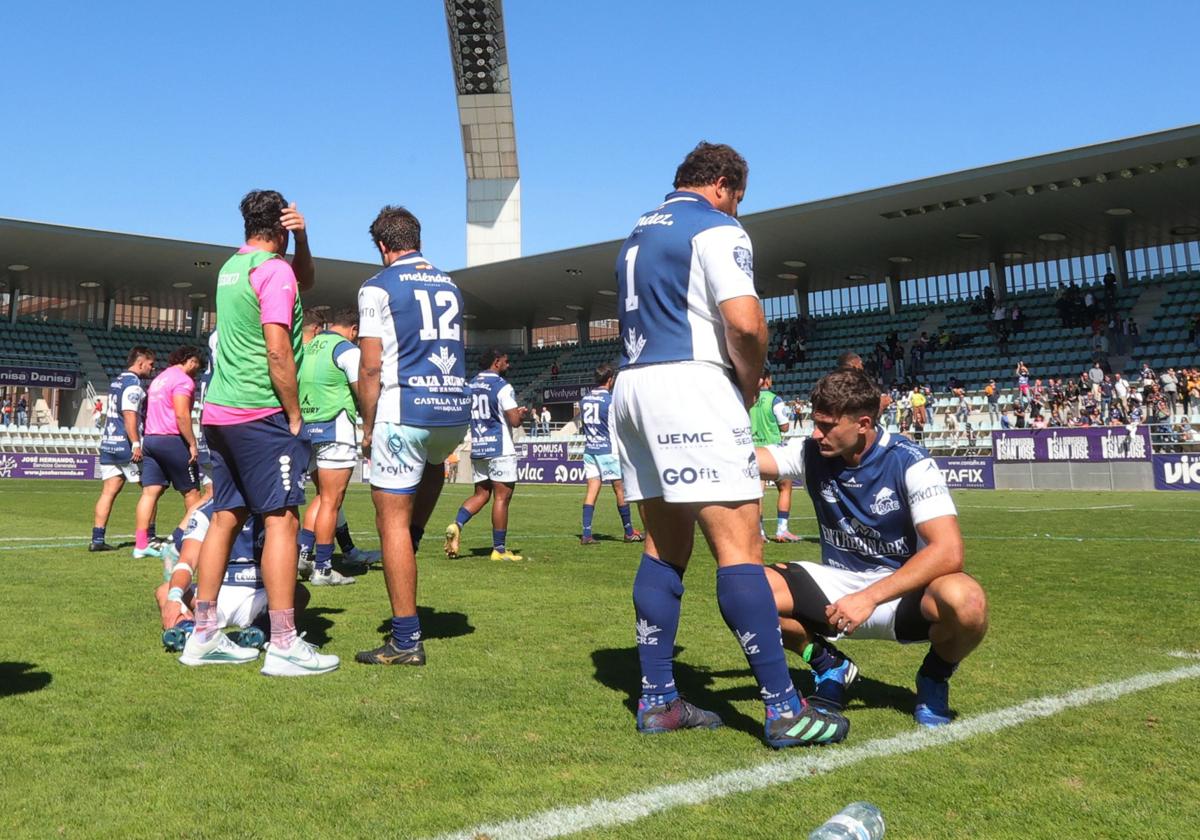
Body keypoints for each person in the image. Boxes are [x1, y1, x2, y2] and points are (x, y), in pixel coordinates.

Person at [612, 141, 847, 748]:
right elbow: (745, 323)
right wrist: (746, 385)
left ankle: (659, 698)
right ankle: (782, 709)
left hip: (634, 385)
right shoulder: (715, 227)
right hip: (693, 383)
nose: (738, 210)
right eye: (738, 198)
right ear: (722, 184)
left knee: (664, 548)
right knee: (739, 548)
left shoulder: (637, 232)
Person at [756, 367, 988, 727]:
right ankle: (828, 666)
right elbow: (754, 460)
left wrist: (868, 598)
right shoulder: (812, 452)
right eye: (815, 423)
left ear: (863, 423)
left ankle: (934, 676)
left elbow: (948, 551)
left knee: (968, 600)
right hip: (837, 583)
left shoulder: (910, 461)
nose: (817, 434)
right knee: (747, 592)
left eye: (828, 425)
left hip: (903, 589)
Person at [179, 189, 337, 676]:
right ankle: (285, 643)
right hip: (259, 410)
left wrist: (302, 239)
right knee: (283, 521)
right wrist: (293, 412)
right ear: (281, 228)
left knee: (226, 517)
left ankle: (203, 634)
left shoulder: (232, 268)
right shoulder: (274, 270)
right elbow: (277, 350)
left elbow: (301, 278)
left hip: (220, 413)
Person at [354, 206, 472, 666]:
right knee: (431, 468)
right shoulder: (450, 284)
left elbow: (370, 365)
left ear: (383, 246)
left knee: (390, 524)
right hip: (451, 412)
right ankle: (415, 536)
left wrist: (367, 424)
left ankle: (405, 640)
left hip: (405, 410)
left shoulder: (377, 286)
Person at [159, 499, 310, 655]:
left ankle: (259, 630)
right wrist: (175, 596)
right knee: (165, 591)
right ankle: (187, 629)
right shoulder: (204, 512)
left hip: (259, 596)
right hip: (211, 596)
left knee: (299, 593)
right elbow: (187, 561)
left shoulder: (278, 512)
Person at [296, 306, 362, 586]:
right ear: (354, 329)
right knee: (332, 501)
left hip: (307, 427)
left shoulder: (310, 346)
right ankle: (323, 568)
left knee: (323, 497)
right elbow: (363, 389)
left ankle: (303, 552)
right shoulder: (347, 349)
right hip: (336, 425)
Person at [445, 349, 528, 561]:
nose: (508, 365)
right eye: (506, 361)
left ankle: (457, 524)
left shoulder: (470, 385)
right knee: (502, 498)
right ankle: (499, 550)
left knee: (481, 495)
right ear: (496, 362)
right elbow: (514, 421)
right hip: (500, 449)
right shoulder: (502, 386)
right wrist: (520, 414)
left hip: (479, 446)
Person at [134, 345, 205, 560]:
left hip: (151, 439)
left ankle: (140, 545)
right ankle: (191, 539)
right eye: (196, 366)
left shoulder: (160, 379)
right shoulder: (183, 381)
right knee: (193, 493)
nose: (196, 370)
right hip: (172, 439)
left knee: (149, 493)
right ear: (191, 360)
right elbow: (182, 415)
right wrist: (192, 443)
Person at [90, 347, 156, 552]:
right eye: (151, 364)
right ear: (141, 362)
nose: (152, 368)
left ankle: (97, 539)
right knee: (151, 490)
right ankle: (147, 539)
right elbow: (129, 414)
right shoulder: (133, 384)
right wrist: (136, 443)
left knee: (108, 492)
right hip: (127, 446)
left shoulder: (116, 380)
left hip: (109, 444)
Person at [578, 363, 644, 545]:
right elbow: (618, 426)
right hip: (608, 450)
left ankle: (586, 533)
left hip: (590, 449)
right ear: (610, 380)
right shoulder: (610, 401)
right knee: (620, 489)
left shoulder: (584, 400)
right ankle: (629, 532)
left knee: (592, 489)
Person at [750, 366, 801, 543]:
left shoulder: (749, 398)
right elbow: (784, 426)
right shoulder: (775, 400)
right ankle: (782, 530)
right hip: (774, 451)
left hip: (753, 449)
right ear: (767, 380)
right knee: (785, 488)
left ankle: (759, 532)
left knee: (757, 493)